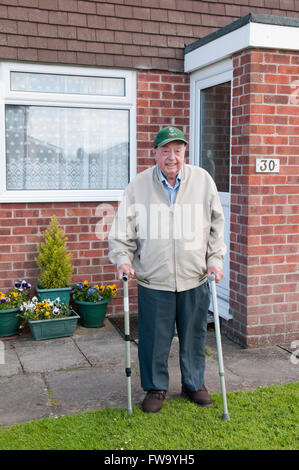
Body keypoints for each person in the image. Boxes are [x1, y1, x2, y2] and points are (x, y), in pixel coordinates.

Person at [108, 126, 226, 413]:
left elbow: (216, 226)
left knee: (194, 335)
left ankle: (193, 383)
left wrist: (215, 261)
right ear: (156, 153)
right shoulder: (138, 186)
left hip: (194, 276)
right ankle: (155, 388)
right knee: (153, 339)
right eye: (165, 151)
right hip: (154, 278)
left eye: (177, 150)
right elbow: (123, 231)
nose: (172, 157)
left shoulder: (202, 181)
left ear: (184, 152)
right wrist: (123, 259)